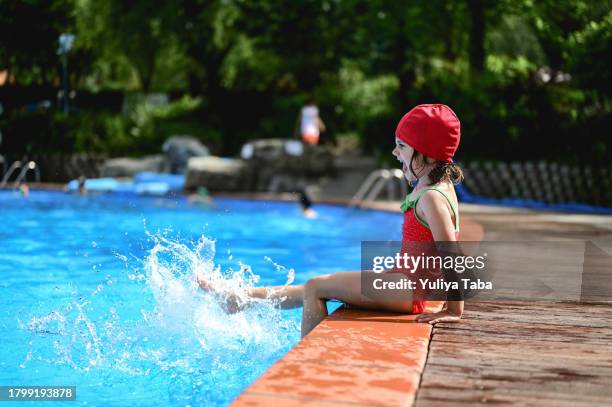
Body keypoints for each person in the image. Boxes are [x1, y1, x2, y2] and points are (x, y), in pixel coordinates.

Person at [199, 104, 464, 337]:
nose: (395, 152)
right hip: (402, 283)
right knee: (313, 285)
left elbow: (450, 251)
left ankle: (306, 364)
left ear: (428, 153)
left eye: (402, 146)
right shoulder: (439, 187)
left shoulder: (431, 196)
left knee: (316, 287)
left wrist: (453, 309)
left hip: (405, 290)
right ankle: (239, 298)